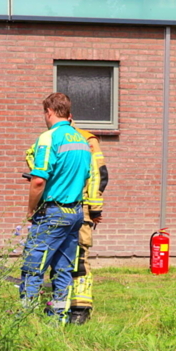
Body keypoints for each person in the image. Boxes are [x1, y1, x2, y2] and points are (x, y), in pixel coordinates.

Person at [19, 93, 92, 320]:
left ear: (48, 112)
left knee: (33, 267)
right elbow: (86, 177)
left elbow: (39, 180)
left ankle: (25, 319)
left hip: (52, 213)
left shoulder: (49, 138)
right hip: (75, 213)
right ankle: (58, 318)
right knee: (63, 270)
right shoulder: (82, 141)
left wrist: (31, 210)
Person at [68, 121, 108, 325]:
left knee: (79, 260)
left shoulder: (86, 138)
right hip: (57, 209)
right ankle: (60, 303)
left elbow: (99, 175)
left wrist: (94, 209)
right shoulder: (50, 137)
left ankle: (80, 308)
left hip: (80, 208)